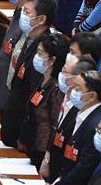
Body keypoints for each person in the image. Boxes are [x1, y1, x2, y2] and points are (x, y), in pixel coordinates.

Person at [47, 69, 101, 185]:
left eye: (78, 88)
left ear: (92, 96)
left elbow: (85, 166)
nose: (73, 91)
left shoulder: (97, 123)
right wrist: (57, 182)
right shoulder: (77, 112)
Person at [0, 0, 57, 147]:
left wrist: (25, 136)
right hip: (12, 118)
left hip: (23, 132)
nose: (22, 15)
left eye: (27, 12)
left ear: (41, 19)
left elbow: (34, 99)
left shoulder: (44, 50)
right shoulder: (27, 39)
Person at [18, 32, 68, 167]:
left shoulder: (56, 90)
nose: (36, 57)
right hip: (32, 145)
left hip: (42, 152)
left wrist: (47, 158)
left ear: (52, 60)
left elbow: (54, 126)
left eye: (40, 54)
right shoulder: (43, 80)